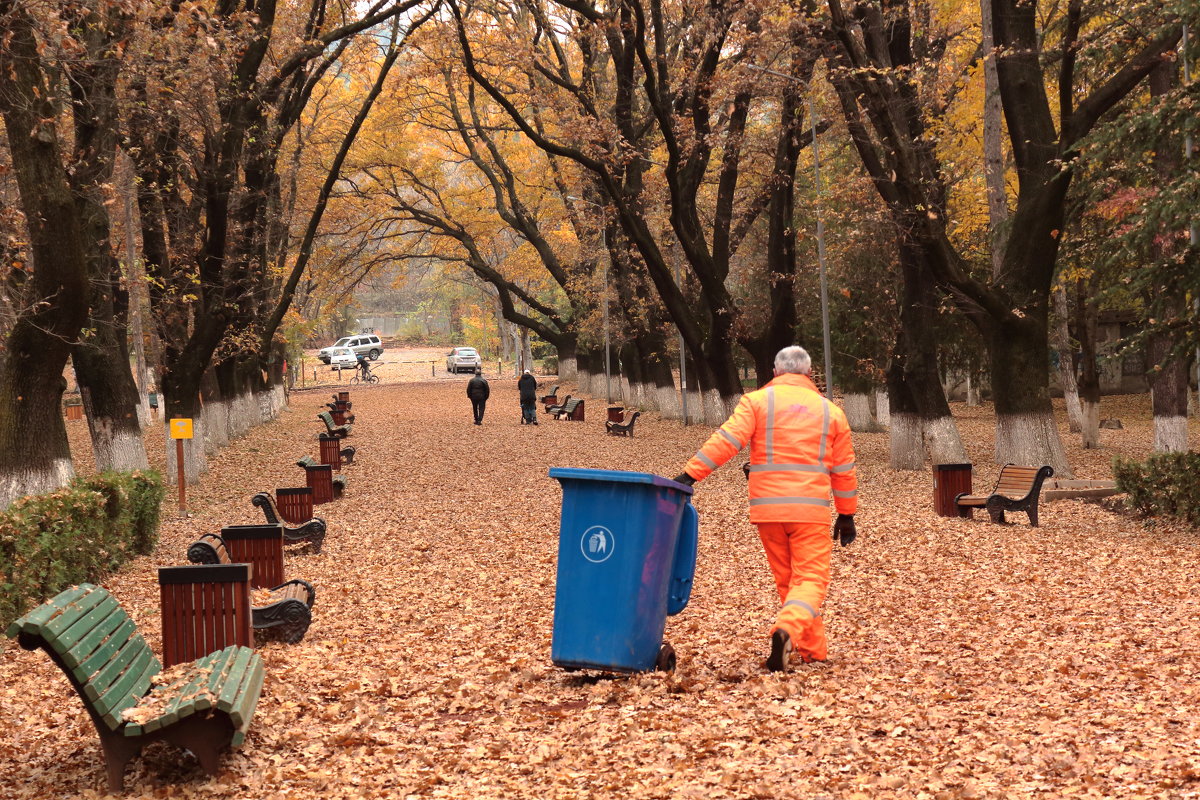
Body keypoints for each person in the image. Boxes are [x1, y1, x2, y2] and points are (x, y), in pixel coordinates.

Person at [673, 345, 858, 672]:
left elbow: (727, 440)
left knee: (790, 581)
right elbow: (843, 470)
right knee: (811, 579)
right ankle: (786, 628)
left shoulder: (757, 402)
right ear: (809, 373)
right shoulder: (832, 412)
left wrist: (690, 475)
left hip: (767, 510)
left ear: (775, 371)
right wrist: (846, 514)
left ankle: (812, 650)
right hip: (810, 511)